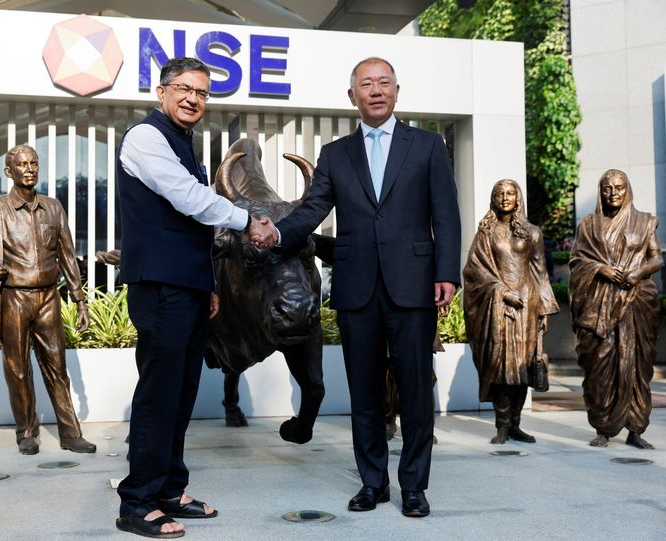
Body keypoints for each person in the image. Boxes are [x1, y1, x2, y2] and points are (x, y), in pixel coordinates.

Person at [252, 57, 461, 518]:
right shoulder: (335, 154)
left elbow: (445, 215)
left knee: (415, 392)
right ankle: (373, 482)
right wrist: (278, 233)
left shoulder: (427, 146)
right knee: (363, 392)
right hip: (357, 288)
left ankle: (414, 487)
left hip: (413, 285)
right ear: (353, 97)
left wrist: (446, 273)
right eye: (366, 84)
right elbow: (311, 211)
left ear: (397, 91)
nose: (375, 90)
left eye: (383, 82)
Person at [114, 57, 266, 539]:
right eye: (183, 89)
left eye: (201, 93)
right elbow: (185, 199)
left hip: (188, 286)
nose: (192, 99)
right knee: (159, 394)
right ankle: (137, 501)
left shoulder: (184, 142)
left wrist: (210, 285)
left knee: (180, 394)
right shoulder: (145, 138)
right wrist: (249, 220)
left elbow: (191, 228)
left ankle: (169, 488)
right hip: (159, 285)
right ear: (161, 93)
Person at [0, 144, 96, 456]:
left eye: (34, 163)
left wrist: (79, 300)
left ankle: (71, 433)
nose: (29, 168)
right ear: (9, 171)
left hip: (49, 297)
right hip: (14, 297)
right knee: (17, 368)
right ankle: (26, 432)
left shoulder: (53, 207)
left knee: (57, 366)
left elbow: (67, 256)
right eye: (21, 164)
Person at [569, 169, 663, 449]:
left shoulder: (644, 221)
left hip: (637, 303)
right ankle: (603, 427)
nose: (613, 194)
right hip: (598, 306)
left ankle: (636, 429)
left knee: (635, 367)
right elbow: (576, 261)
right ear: (600, 191)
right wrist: (600, 269)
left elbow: (656, 259)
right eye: (607, 188)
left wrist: (637, 274)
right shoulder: (588, 224)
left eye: (619, 188)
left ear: (628, 190)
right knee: (599, 366)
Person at [462, 179, 559, 444]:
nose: (505, 198)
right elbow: (473, 271)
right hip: (499, 308)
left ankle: (516, 424)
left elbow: (540, 274)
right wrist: (501, 292)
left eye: (510, 193)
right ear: (493, 199)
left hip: (528, 305)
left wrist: (545, 312)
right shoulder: (486, 233)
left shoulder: (532, 233)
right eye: (500, 193)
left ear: (518, 198)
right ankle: (502, 426)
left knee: (523, 368)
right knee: (502, 367)